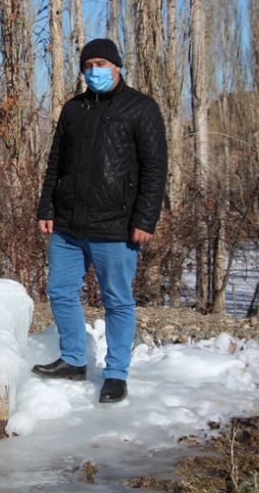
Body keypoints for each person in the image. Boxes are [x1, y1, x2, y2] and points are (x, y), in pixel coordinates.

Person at [33, 39, 167, 403]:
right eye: (88, 64)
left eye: (101, 63)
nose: (94, 71)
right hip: (68, 225)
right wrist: (47, 208)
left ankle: (116, 374)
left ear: (117, 66)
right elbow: (55, 163)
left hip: (117, 226)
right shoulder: (73, 109)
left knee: (117, 301)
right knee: (60, 291)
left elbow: (155, 169)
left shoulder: (141, 107)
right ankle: (75, 360)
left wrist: (145, 219)